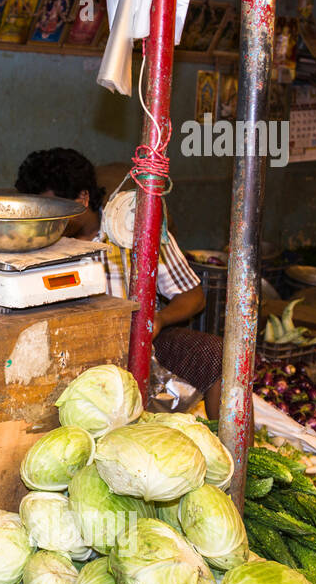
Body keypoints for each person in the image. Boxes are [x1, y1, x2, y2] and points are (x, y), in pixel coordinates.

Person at [14, 147, 223, 418]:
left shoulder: (132, 228)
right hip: (67, 355)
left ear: (82, 198)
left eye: (53, 211)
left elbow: (193, 297)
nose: (44, 222)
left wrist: (158, 320)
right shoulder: (33, 240)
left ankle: (237, 452)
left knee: (217, 355)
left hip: (137, 344)